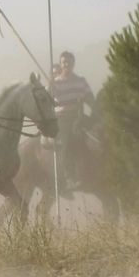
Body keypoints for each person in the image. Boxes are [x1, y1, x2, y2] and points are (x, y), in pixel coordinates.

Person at [50, 51, 96, 193]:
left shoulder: (81, 81)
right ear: (61, 64)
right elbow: (46, 100)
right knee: (66, 142)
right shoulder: (55, 83)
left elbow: (90, 99)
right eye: (64, 62)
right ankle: (69, 177)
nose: (66, 65)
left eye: (69, 62)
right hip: (62, 118)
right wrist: (49, 86)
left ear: (73, 63)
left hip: (77, 116)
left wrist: (95, 113)